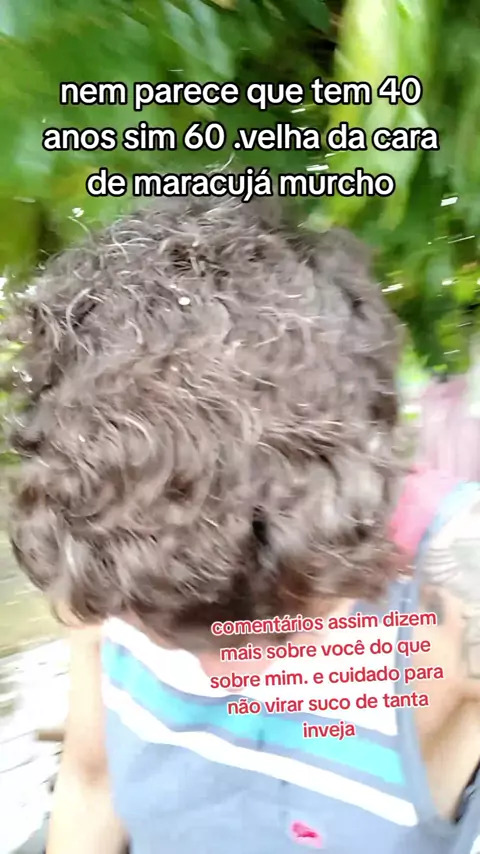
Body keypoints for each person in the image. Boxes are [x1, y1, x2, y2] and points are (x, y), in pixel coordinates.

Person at [5, 196, 480, 854]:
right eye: (161, 631)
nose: (215, 673)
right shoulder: (116, 561)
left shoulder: (458, 584)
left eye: (267, 628)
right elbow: (92, 784)